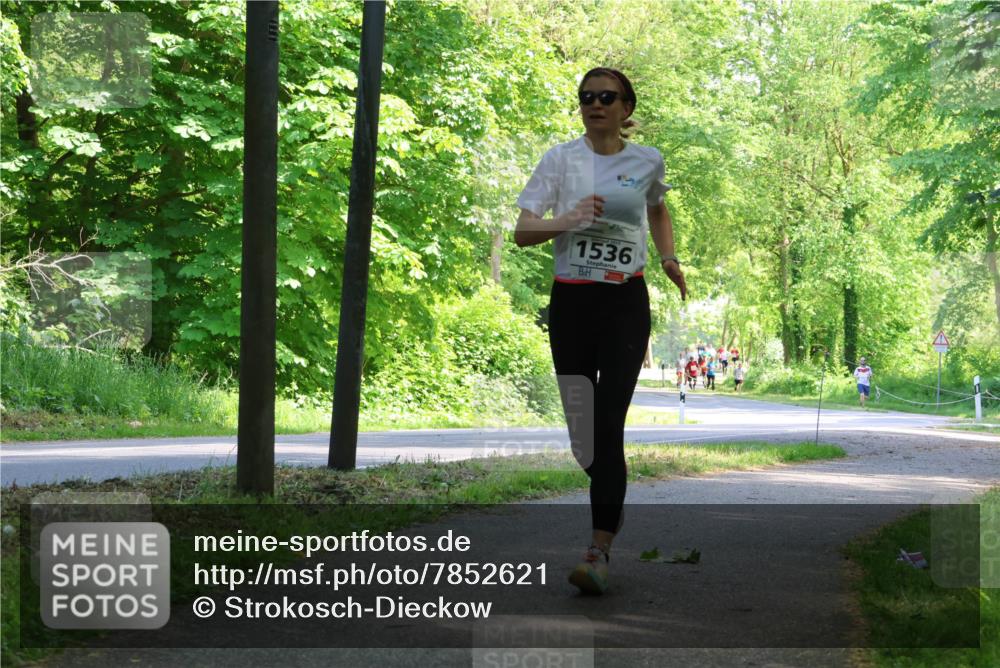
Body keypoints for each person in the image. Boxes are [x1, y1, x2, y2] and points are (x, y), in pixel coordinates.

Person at [514, 67, 687, 595]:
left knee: (607, 426)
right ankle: (607, 500)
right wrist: (565, 220)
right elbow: (522, 231)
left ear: (625, 108)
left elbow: (657, 207)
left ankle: (598, 551)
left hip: (623, 302)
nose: (595, 104)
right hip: (571, 302)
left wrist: (668, 257)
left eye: (606, 97)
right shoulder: (560, 160)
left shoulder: (646, 160)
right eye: (586, 97)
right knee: (585, 439)